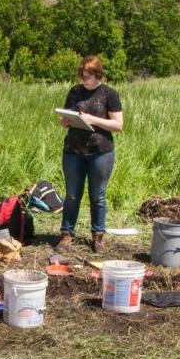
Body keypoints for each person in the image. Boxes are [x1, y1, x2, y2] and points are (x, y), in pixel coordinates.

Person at [56, 55, 123, 251]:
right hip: (73, 151)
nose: (84, 80)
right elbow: (64, 120)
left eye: (88, 76)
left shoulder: (109, 94)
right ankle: (66, 234)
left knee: (97, 195)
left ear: (97, 74)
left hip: (100, 152)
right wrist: (66, 120)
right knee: (72, 195)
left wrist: (93, 120)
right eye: (82, 76)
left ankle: (98, 236)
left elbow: (118, 125)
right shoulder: (75, 92)